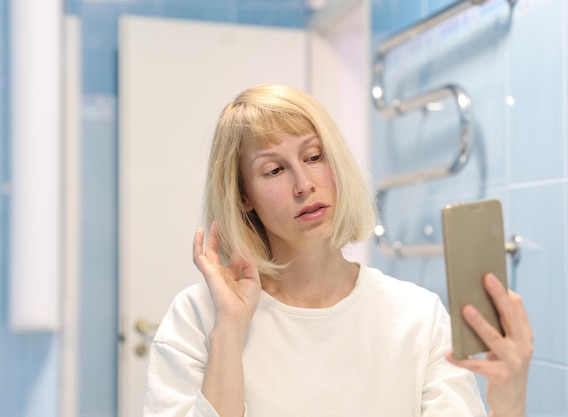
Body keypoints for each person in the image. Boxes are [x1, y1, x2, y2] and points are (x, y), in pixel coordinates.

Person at [143, 83, 533, 417]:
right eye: (275, 170)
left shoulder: (418, 317)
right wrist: (228, 331)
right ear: (243, 196)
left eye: (314, 157)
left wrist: (509, 402)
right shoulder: (199, 316)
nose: (304, 184)